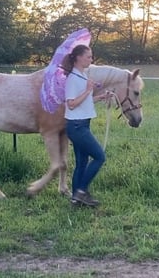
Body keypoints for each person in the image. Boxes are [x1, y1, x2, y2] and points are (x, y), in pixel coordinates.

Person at [62, 44, 109, 207]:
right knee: (99, 157)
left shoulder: (81, 76)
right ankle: (81, 191)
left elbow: (83, 101)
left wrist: (100, 97)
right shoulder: (73, 79)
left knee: (82, 163)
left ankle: (76, 200)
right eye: (88, 56)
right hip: (77, 127)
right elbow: (72, 104)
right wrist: (89, 90)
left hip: (82, 124)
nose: (91, 59)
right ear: (79, 58)